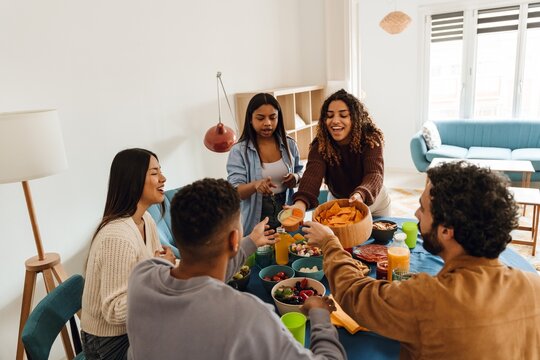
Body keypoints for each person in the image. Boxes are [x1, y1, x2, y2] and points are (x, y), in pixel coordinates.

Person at [303, 161, 540, 359]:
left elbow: (356, 294)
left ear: (446, 230)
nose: (416, 214)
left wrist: (330, 244)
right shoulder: (534, 285)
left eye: (422, 209)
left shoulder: (429, 297)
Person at [126, 178, 346, 360]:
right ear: (234, 240)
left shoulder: (142, 277)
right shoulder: (249, 316)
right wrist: (319, 314)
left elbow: (200, 275)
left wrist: (249, 242)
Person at [81, 148, 176, 360]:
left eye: (160, 171)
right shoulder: (117, 237)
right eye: (154, 173)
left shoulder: (146, 221)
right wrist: (163, 272)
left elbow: (152, 268)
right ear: (133, 181)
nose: (163, 178)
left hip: (134, 326)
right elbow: (115, 311)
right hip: (110, 342)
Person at [291, 89, 390, 216]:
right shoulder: (321, 144)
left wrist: (360, 194)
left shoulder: (370, 140)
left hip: (373, 200)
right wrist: (300, 204)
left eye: (343, 115)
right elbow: (312, 175)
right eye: (330, 115)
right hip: (338, 201)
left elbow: (374, 173)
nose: (335, 121)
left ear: (355, 118)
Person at [227, 93, 303, 234]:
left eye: (273, 117)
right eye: (260, 118)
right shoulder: (239, 151)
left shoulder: (289, 144)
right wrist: (255, 185)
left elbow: (301, 172)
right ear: (250, 119)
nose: (267, 123)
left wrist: (296, 178)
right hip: (255, 219)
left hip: (287, 214)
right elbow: (234, 192)